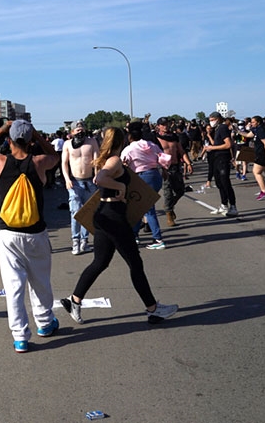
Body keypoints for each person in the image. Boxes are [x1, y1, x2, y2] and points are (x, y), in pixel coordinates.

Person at [60, 127, 178, 325]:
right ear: (121, 141)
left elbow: (101, 177)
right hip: (113, 217)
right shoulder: (113, 160)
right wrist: (121, 185)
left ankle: (74, 300)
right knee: (135, 264)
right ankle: (153, 309)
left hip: (104, 214)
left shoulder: (106, 160)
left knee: (100, 262)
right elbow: (100, 179)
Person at [0, 119, 61, 352]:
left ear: (9, 140)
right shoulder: (39, 162)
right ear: (30, 140)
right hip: (36, 234)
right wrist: (37, 134)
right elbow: (54, 155)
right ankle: (45, 323)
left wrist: (1, 129)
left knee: (14, 287)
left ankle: (20, 337)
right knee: (40, 282)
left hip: (9, 235)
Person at [122, 123, 166, 249]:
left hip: (141, 177)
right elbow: (163, 156)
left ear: (130, 136)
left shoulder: (129, 149)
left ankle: (158, 239)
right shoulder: (151, 144)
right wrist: (164, 170)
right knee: (140, 208)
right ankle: (134, 235)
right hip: (155, 175)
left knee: (147, 209)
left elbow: (122, 163)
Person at [60, 120, 98, 255]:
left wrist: (97, 175)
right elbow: (64, 163)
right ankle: (75, 241)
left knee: (87, 213)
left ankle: (84, 241)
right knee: (75, 212)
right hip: (75, 182)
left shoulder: (92, 142)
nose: (80, 131)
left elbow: (96, 160)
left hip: (89, 181)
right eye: (77, 129)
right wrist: (66, 179)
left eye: (82, 129)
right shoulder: (67, 144)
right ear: (72, 132)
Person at [155, 118, 193, 227]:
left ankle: (169, 206)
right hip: (163, 168)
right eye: (163, 124)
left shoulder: (174, 137)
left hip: (175, 166)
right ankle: (169, 215)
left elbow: (181, 151)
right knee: (168, 192)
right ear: (158, 126)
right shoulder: (156, 138)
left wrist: (188, 163)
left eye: (166, 124)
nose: (165, 126)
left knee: (180, 190)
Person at [204, 112, 239, 217]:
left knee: (225, 182)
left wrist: (212, 148)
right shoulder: (217, 129)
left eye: (212, 119)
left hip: (223, 158)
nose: (211, 122)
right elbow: (217, 143)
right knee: (219, 182)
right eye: (210, 120)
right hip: (216, 158)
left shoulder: (223, 128)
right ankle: (224, 204)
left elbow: (228, 144)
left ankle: (233, 206)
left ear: (218, 119)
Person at [239, 116, 265, 200]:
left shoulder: (261, 129)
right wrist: (237, 131)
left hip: (263, 154)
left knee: (256, 172)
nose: (251, 123)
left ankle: (264, 191)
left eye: (253, 122)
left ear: (258, 122)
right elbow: (248, 135)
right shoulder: (256, 129)